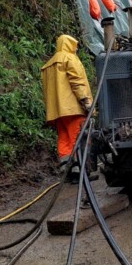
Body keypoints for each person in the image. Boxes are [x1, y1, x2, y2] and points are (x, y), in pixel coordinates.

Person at [41, 34, 93, 171]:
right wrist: (86, 101)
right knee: (78, 137)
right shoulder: (69, 58)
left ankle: (66, 168)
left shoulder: (49, 64)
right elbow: (77, 81)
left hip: (57, 111)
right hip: (73, 108)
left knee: (64, 138)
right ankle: (79, 170)